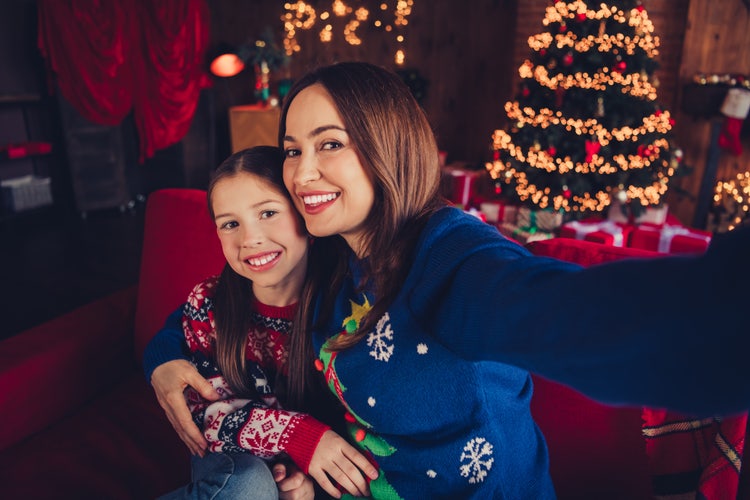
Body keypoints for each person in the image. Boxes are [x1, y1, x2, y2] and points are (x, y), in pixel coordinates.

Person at [145, 63, 750, 498]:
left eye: (329, 144)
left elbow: (573, 315)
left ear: (387, 146)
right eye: (291, 149)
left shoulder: (447, 257)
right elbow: (218, 306)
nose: (302, 173)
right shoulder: (333, 253)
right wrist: (163, 358)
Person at [148, 146, 377, 500]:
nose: (249, 239)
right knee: (251, 485)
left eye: (268, 213)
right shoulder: (208, 305)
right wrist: (297, 437)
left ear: (306, 218)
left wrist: (306, 481)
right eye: (230, 224)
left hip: (309, 468)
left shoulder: (345, 309)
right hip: (231, 460)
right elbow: (207, 418)